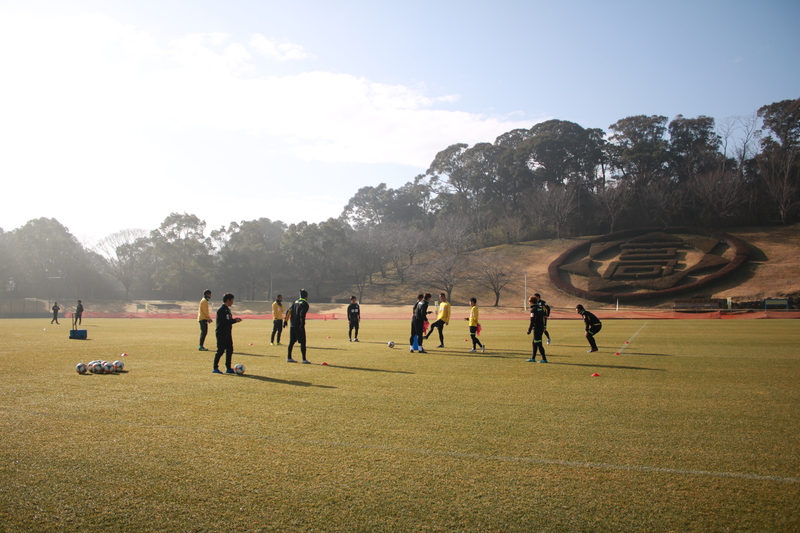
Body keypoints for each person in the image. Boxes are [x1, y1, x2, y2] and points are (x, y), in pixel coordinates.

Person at [212, 293, 242, 374]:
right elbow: (224, 322)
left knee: (230, 350)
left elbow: (229, 321)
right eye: (232, 300)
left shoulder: (228, 309)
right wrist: (235, 320)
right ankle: (215, 368)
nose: (232, 302)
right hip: (221, 333)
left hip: (227, 333)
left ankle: (228, 368)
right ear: (228, 300)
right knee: (220, 350)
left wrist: (234, 320)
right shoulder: (221, 310)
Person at [285, 289, 310, 363]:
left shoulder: (294, 302)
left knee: (291, 341)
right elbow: (302, 314)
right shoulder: (305, 303)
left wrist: (285, 321)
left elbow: (288, 311)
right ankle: (304, 359)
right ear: (306, 296)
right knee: (302, 342)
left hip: (292, 324)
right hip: (299, 325)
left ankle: (289, 357)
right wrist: (302, 323)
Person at [527, 295, 547, 363]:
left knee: (538, 343)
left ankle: (544, 359)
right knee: (534, 343)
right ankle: (533, 358)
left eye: (529, 301)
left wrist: (529, 329)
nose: (529, 303)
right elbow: (543, 317)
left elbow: (532, 320)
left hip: (537, 328)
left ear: (532, 302)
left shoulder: (533, 309)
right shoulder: (540, 308)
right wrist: (544, 326)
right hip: (541, 327)